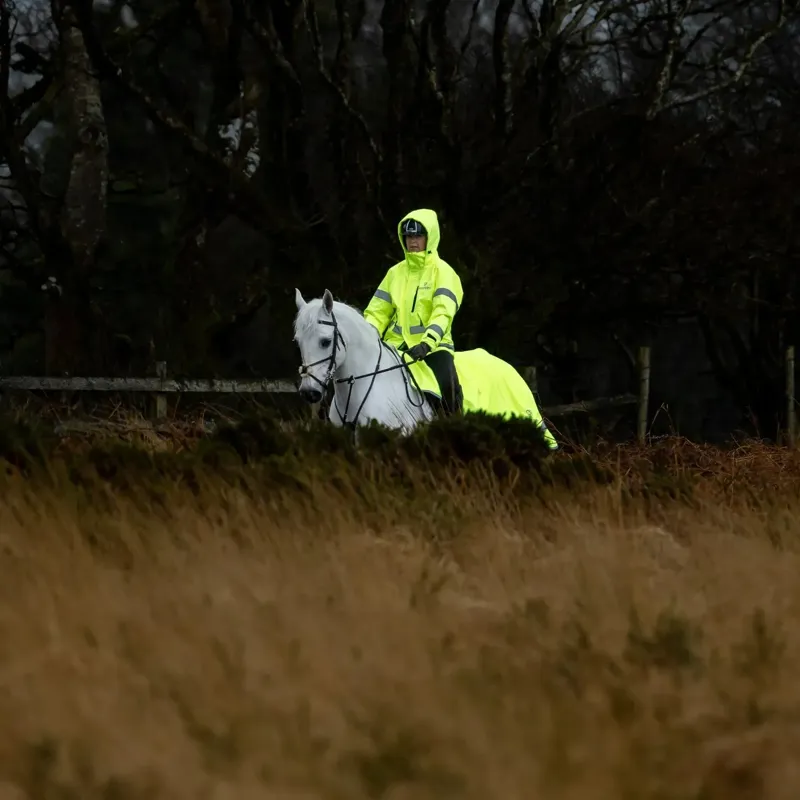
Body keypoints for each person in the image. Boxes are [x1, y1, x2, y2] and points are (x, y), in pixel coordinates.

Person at [363, 208, 464, 415]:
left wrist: (427, 342)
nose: (412, 241)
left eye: (418, 235)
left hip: (433, 348)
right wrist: (366, 338)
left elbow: (443, 312)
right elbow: (377, 312)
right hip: (395, 347)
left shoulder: (444, 272)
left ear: (430, 237)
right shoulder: (394, 273)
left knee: (448, 385)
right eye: (408, 236)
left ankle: (454, 429)